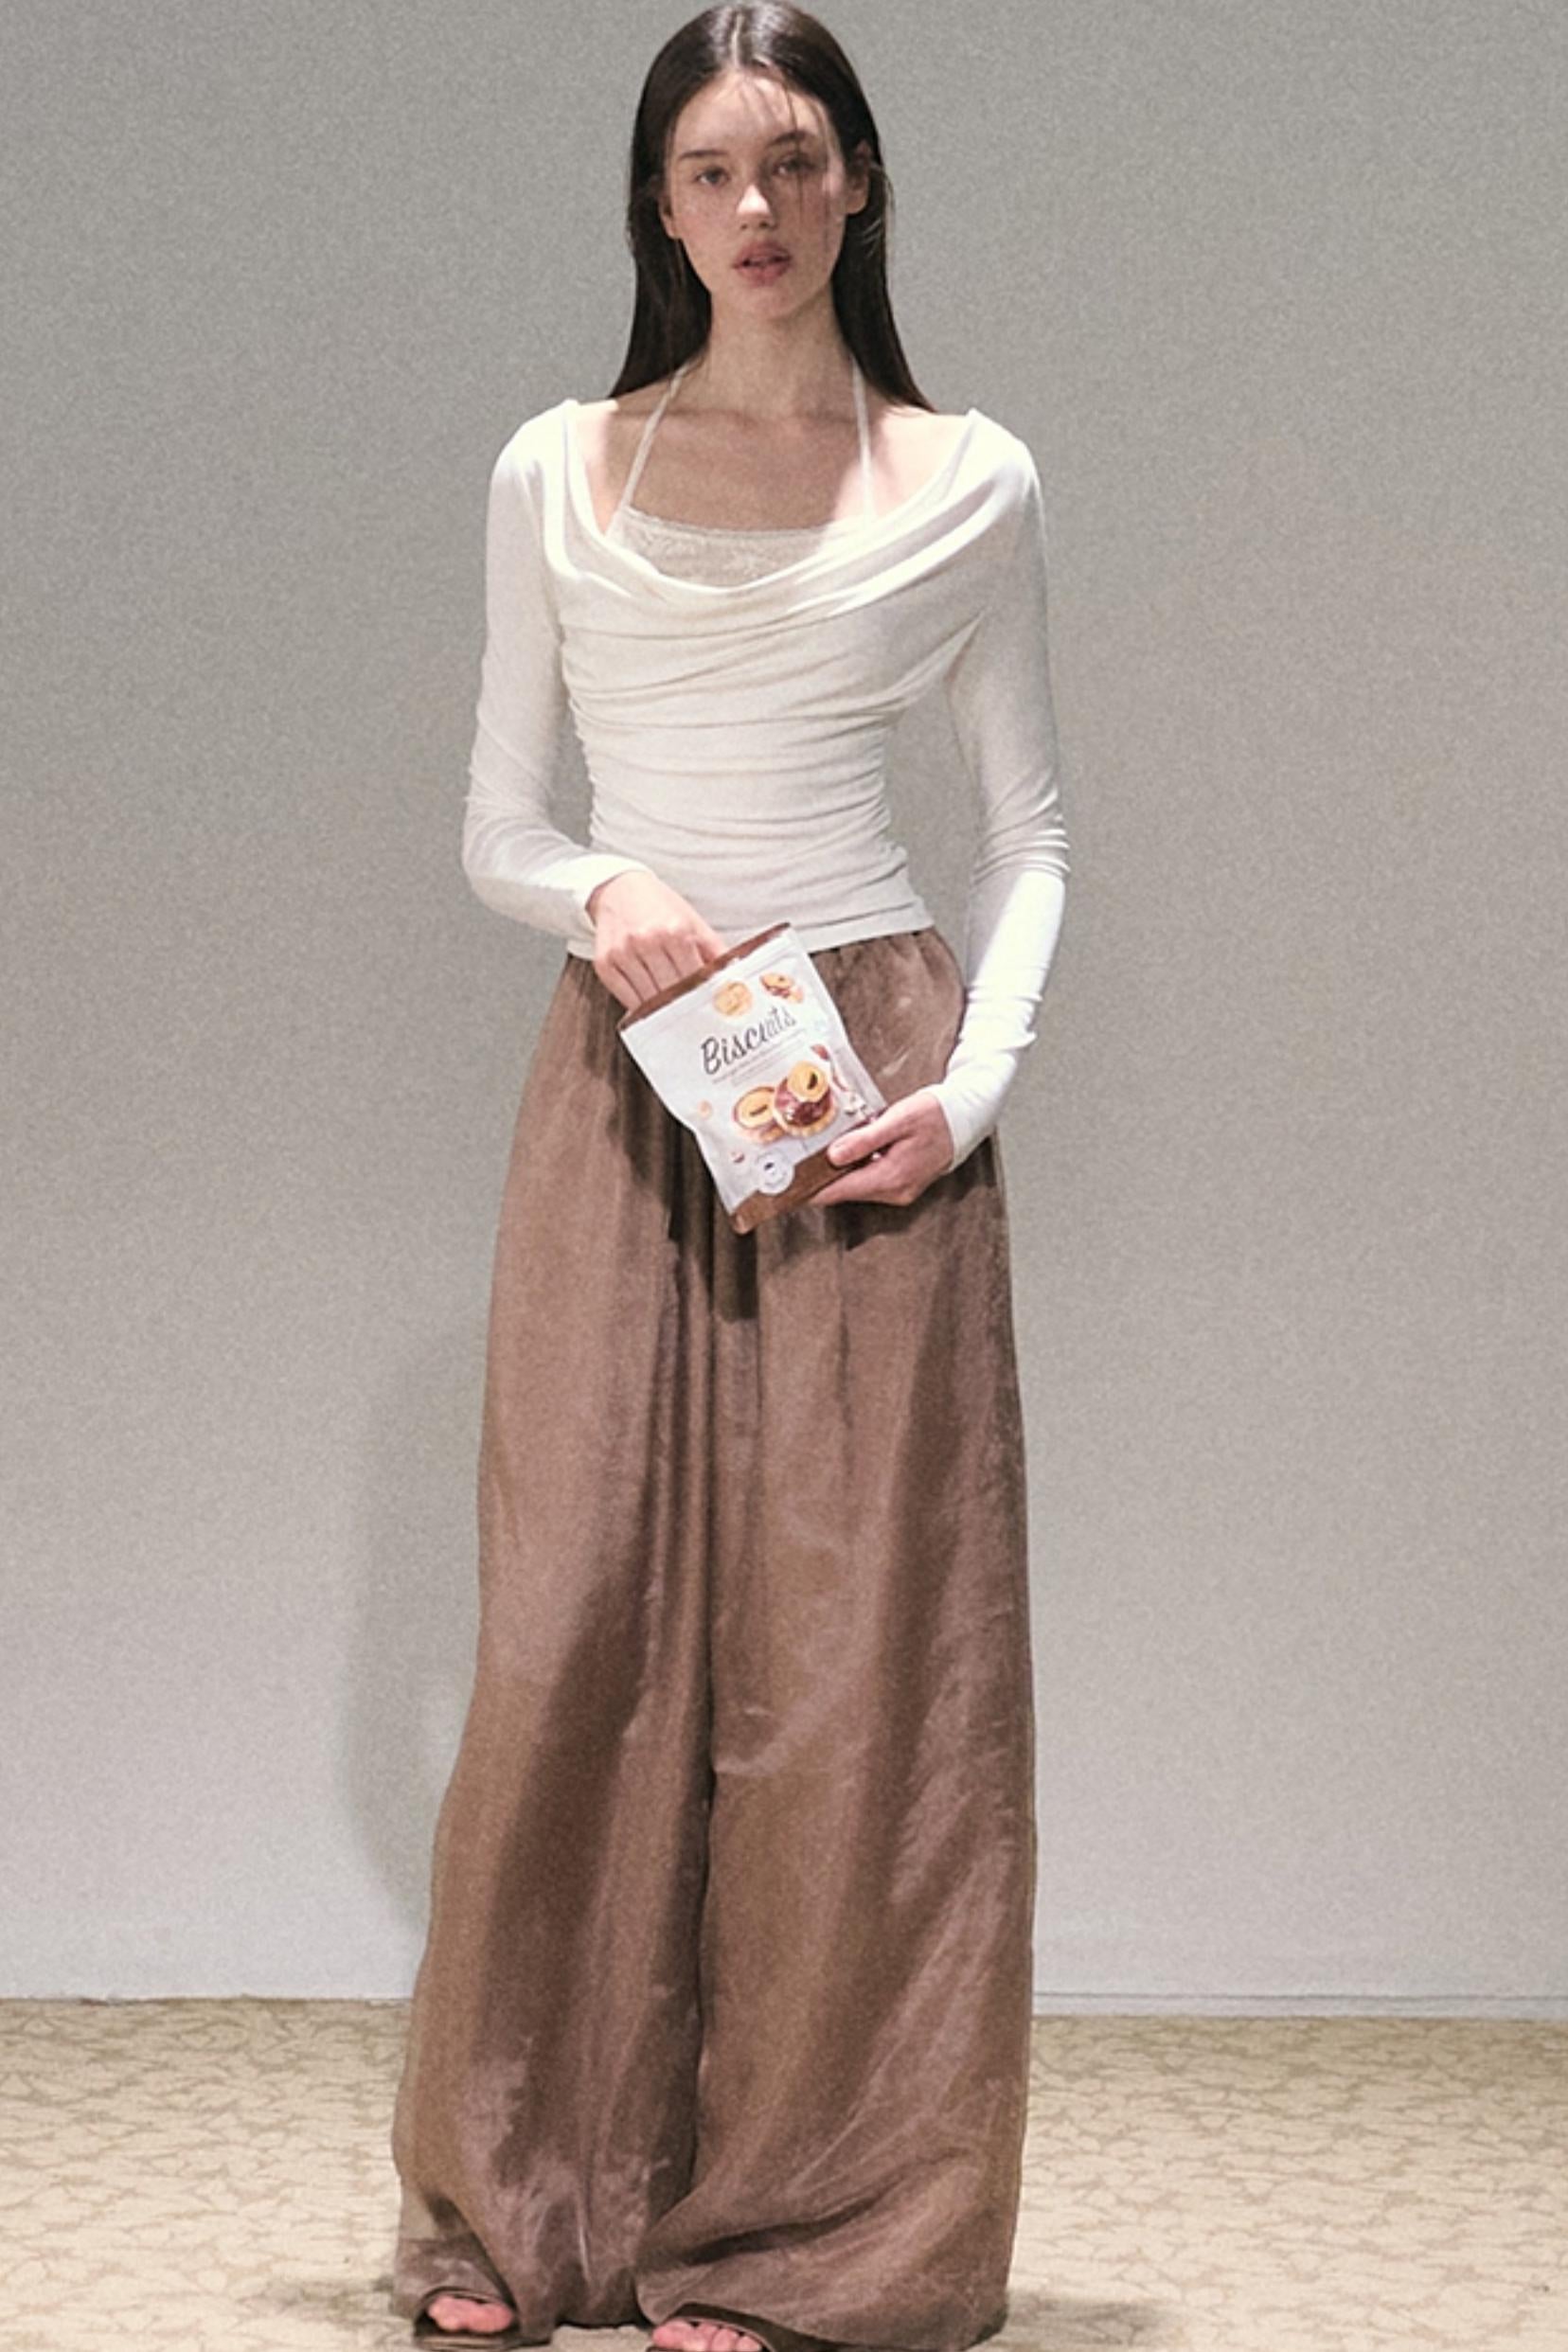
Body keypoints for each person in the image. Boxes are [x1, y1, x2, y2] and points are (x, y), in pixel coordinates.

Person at [388, 7, 1071, 2349]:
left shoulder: (966, 477)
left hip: (860, 1084)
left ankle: (805, 2237)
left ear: (857, 182)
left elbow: (1034, 835)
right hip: (631, 1070)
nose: (754, 210)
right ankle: (523, 2208)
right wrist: (605, 892)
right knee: (569, 1626)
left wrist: (970, 1092)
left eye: (792, 162)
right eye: (707, 172)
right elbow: (499, 821)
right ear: (656, 209)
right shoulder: (558, 470)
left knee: (854, 1673)